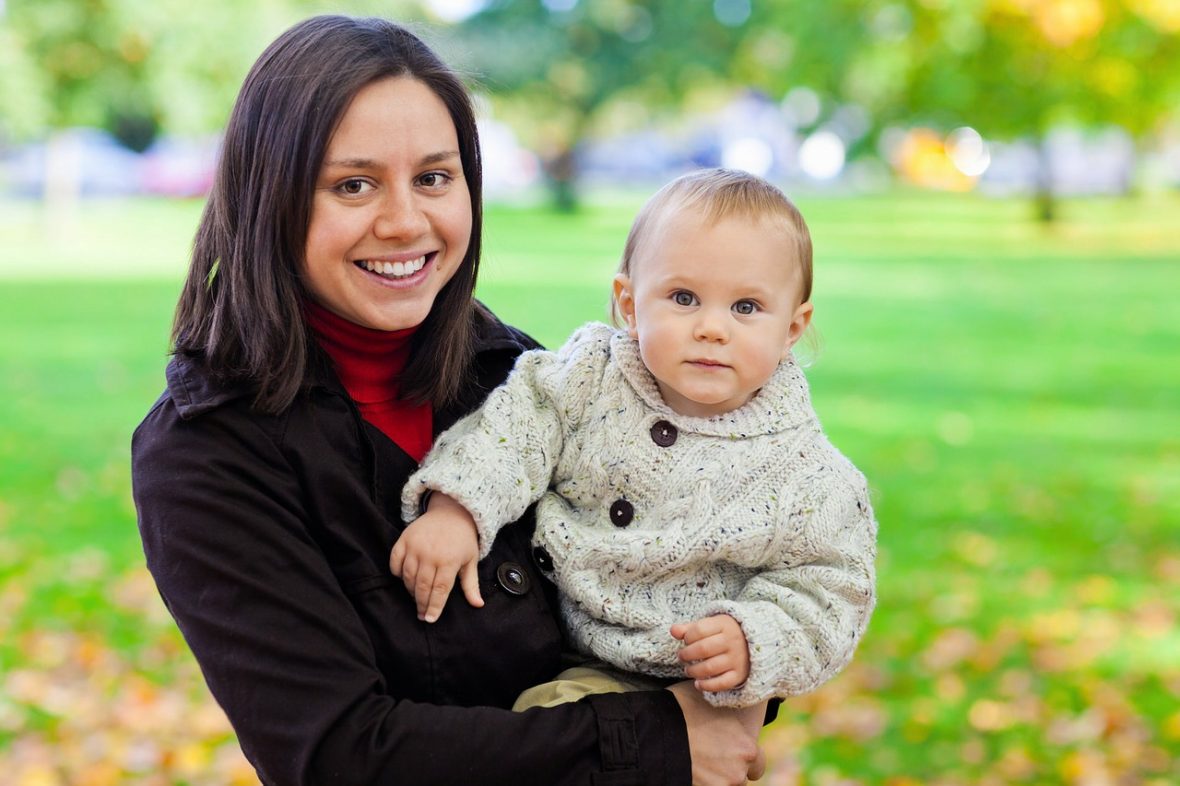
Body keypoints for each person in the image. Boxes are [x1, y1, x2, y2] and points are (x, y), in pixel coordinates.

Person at [131, 15, 766, 786]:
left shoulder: (525, 379)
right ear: (272, 198)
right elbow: (339, 756)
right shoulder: (206, 453)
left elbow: (695, 584)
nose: (405, 222)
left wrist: (748, 651)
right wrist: (660, 740)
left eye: (434, 177)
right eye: (352, 184)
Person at [393, 169, 877, 719]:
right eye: (684, 297)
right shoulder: (589, 378)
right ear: (629, 302)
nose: (712, 328)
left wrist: (755, 639)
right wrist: (459, 507)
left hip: (683, 682)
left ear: (792, 327)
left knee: (546, 724)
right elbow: (514, 430)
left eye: (746, 308)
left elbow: (831, 588)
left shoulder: (807, 475)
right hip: (551, 625)